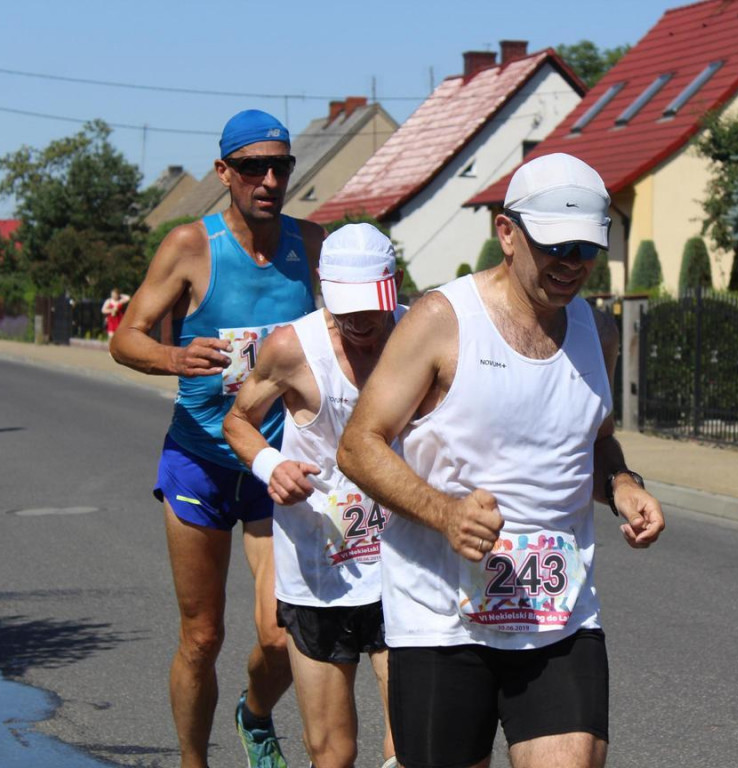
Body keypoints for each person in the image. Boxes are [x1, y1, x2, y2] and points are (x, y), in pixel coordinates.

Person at [336, 152, 666, 768]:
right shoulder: (442, 320)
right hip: (442, 617)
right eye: (555, 246)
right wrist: (444, 513)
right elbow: (358, 444)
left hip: (557, 613)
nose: (573, 265)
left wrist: (622, 483)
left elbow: (594, 440)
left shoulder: (600, 334)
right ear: (507, 234)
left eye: (586, 249)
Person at [110, 109, 322, 768]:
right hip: (200, 460)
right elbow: (126, 337)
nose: (267, 179)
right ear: (223, 171)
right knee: (202, 636)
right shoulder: (190, 247)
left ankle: (254, 714)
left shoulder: (311, 246)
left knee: (281, 633)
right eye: (252, 167)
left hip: (274, 464)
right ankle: (192, 761)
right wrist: (176, 359)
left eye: (279, 166)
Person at [222, 223, 403, 768]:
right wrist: (271, 464)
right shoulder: (291, 348)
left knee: (412, 744)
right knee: (333, 752)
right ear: (324, 287)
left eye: (373, 311)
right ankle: (252, 715)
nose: (362, 326)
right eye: (348, 311)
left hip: (401, 563)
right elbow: (239, 422)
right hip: (320, 570)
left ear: (393, 287)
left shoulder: (418, 335)